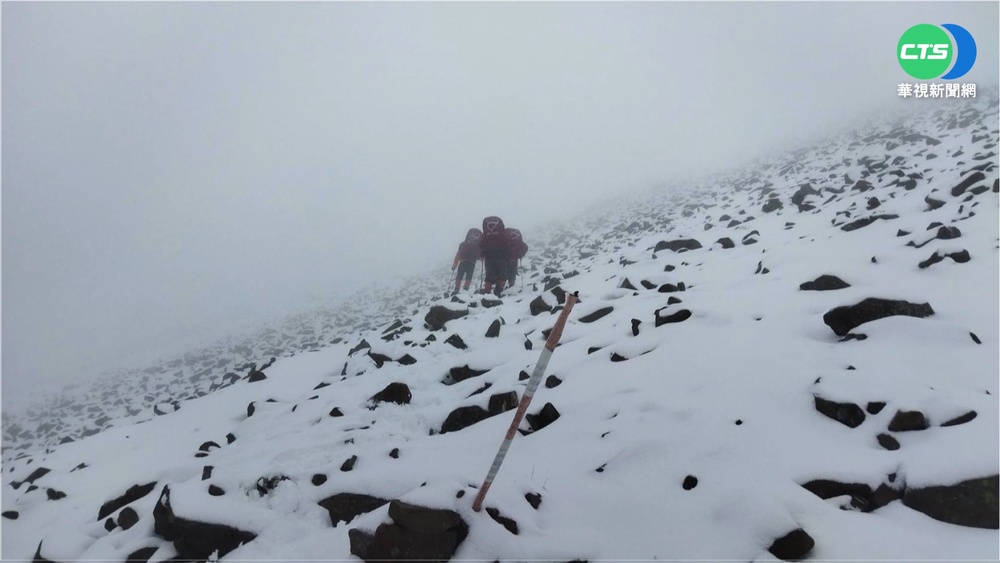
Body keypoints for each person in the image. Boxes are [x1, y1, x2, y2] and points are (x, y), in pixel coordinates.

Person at [479, 216, 510, 297]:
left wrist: (482, 254)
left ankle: (487, 294)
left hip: (488, 256)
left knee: (489, 276)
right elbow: (507, 243)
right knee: (501, 275)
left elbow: (481, 243)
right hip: (501, 255)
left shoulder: (486, 234)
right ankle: (498, 291)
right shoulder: (503, 234)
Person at [452, 228, 482, 294]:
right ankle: (466, 289)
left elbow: (458, 256)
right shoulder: (477, 247)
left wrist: (454, 265)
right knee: (469, 276)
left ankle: (456, 289)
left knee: (459, 276)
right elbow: (480, 257)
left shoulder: (463, 245)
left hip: (462, 262)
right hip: (471, 263)